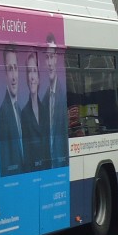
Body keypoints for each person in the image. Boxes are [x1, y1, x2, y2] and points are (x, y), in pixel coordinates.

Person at [0, 46, 24, 176]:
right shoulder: (4, 111)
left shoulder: (17, 108)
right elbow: (5, 160)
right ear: (5, 75)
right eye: (9, 69)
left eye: (15, 68)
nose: (14, 77)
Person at [41, 35, 68, 168]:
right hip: (49, 166)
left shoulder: (64, 94)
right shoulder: (45, 98)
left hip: (61, 164)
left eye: (52, 57)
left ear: (57, 58)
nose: (50, 62)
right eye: (47, 57)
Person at [20, 50, 49, 172]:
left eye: (34, 71)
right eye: (29, 72)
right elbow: (26, 153)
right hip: (31, 172)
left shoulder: (45, 110)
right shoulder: (24, 114)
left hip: (47, 170)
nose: (32, 77)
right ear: (27, 78)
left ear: (39, 78)